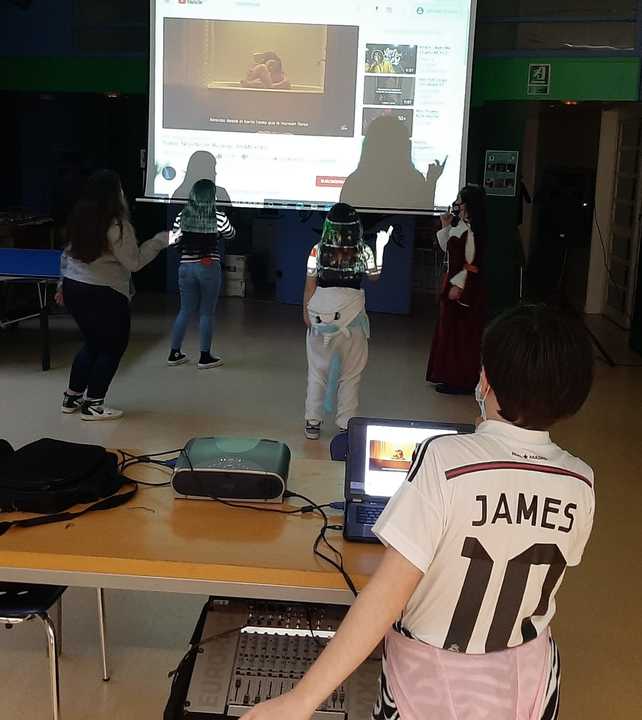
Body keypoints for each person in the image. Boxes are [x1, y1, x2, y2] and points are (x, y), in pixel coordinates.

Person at [245, 303, 595, 720]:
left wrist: (300, 700)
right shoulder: (581, 480)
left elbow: (388, 594)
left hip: (431, 682)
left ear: (485, 381)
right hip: (530, 681)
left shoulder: (445, 459)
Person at [56, 170, 169, 420]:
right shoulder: (117, 225)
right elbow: (133, 262)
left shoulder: (79, 218)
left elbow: (67, 255)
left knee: (93, 343)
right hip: (104, 293)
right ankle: (93, 404)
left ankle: (72, 398)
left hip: (74, 287)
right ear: (115, 194)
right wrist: (160, 241)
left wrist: (61, 285)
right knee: (112, 347)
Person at [303, 203, 392, 440]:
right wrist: (381, 247)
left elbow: (310, 285)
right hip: (353, 320)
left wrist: (306, 314)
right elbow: (374, 277)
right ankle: (346, 424)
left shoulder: (317, 250)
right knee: (351, 374)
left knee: (317, 372)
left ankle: (312, 422)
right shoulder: (363, 251)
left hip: (319, 317)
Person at [167, 179, 236, 369]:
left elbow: (174, 241)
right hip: (208, 266)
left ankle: (174, 353)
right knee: (206, 312)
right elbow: (231, 234)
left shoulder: (182, 215)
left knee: (184, 310)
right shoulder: (219, 217)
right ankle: (205, 357)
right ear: (212, 196)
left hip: (185, 267)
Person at [426, 184, 487, 394]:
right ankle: (448, 375)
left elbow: (471, 263)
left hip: (464, 289)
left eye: (460, 200)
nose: (456, 204)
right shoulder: (461, 225)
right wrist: (445, 225)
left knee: (461, 334)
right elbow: (449, 250)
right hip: (452, 282)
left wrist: (459, 286)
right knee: (449, 331)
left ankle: (461, 381)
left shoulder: (473, 230)